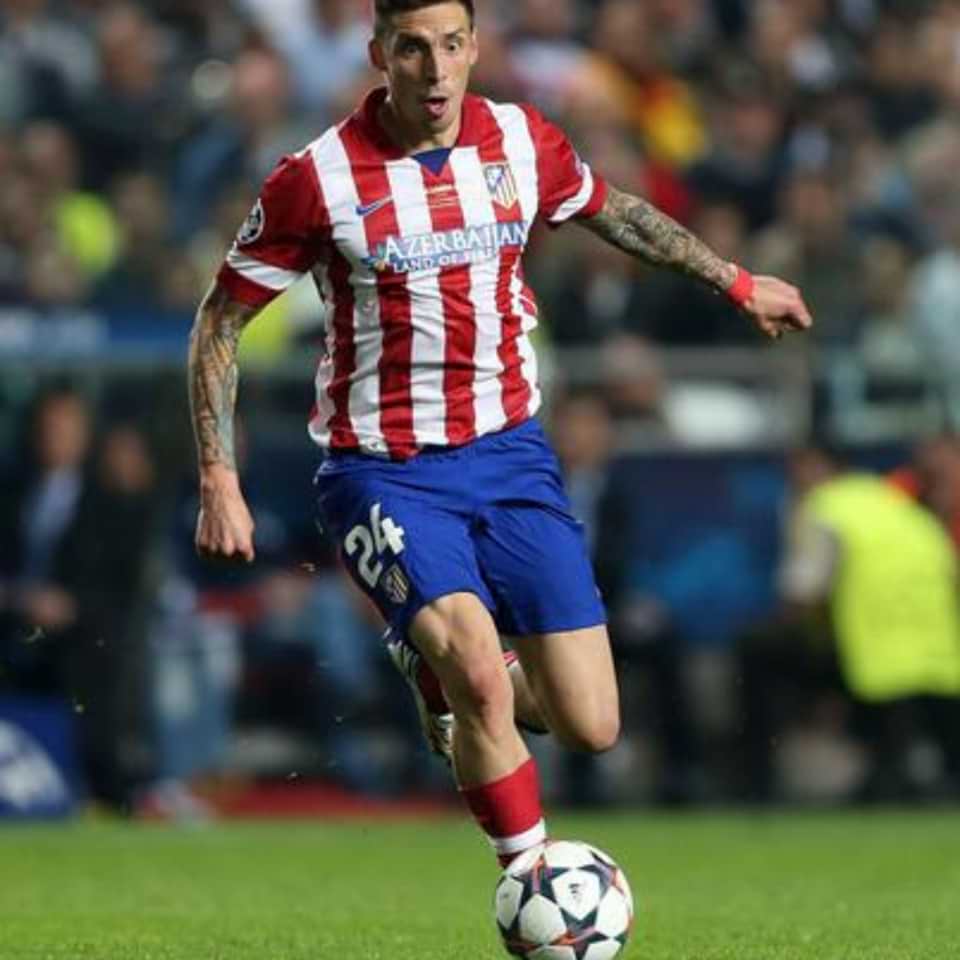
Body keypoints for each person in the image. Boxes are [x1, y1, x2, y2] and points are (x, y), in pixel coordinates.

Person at [188, 0, 811, 866]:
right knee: (480, 675)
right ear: (378, 53)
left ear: (476, 47)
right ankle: (531, 879)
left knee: (590, 723)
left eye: (451, 45)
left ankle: (433, 671)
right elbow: (219, 324)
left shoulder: (521, 140)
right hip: (385, 470)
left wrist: (737, 283)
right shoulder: (317, 177)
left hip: (511, 455)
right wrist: (219, 477)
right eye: (413, 48)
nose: (435, 69)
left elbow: (616, 212)